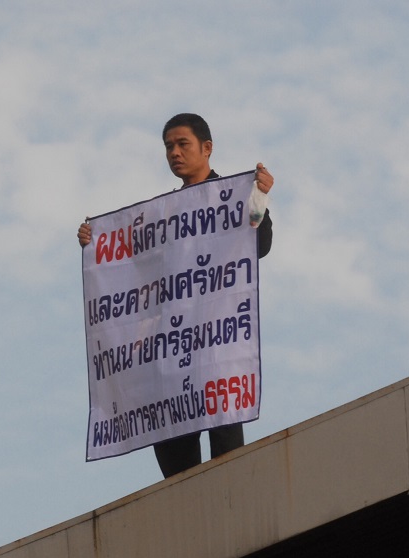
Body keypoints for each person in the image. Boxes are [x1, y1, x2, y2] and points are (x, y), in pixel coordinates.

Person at [78, 113, 274, 477]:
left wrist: (259, 196)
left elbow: (258, 246)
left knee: (227, 458)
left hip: (215, 345)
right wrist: (95, 245)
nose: (174, 153)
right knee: (175, 461)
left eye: (182, 144)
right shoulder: (162, 214)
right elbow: (132, 267)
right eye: (169, 146)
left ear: (207, 148)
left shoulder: (235, 196)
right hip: (168, 348)